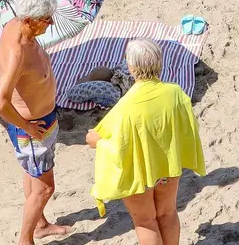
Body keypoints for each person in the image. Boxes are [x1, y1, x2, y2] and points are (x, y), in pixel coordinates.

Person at [85, 38, 205, 245]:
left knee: (145, 221)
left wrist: (94, 139)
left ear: (131, 67)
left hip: (140, 173)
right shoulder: (175, 92)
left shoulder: (126, 106)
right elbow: (188, 126)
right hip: (168, 167)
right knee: (167, 214)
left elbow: (109, 143)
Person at [0, 0, 72, 245]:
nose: (51, 23)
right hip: (33, 129)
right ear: (28, 19)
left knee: (32, 176)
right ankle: (25, 240)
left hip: (40, 123)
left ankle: (41, 225)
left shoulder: (14, 24)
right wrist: (28, 127)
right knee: (45, 188)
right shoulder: (18, 53)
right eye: (46, 19)